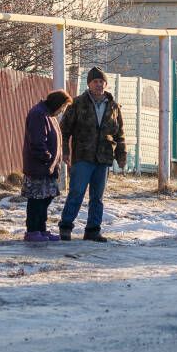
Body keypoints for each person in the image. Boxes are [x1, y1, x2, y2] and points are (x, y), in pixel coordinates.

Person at [57, 66, 126, 242]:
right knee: (77, 192)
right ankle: (66, 227)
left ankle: (93, 230)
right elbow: (64, 130)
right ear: (89, 84)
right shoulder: (77, 103)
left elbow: (120, 134)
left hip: (103, 157)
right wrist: (65, 151)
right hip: (83, 156)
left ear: (106, 84)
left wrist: (121, 155)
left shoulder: (114, 106)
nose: (99, 85)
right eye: (95, 81)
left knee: (97, 197)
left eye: (101, 81)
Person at [22, 90, 71, 242]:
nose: (62, 110)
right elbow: (37, 141)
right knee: (36, 200)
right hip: (39, 167)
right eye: (63, 107)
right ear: (57, 104)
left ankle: (41, 229)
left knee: (45, 199)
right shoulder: (39, 114)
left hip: (48, 167)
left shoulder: (49, 115)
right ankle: (32, 231)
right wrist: (46, 157)